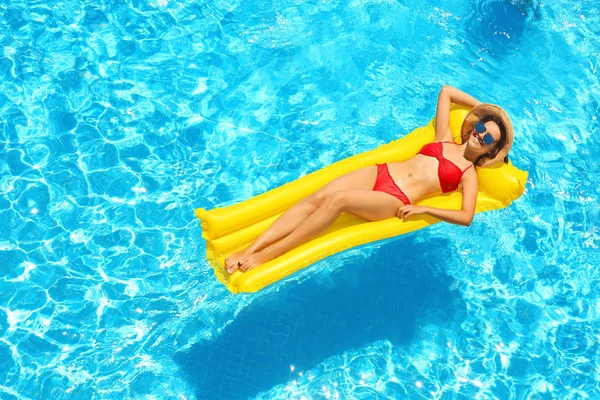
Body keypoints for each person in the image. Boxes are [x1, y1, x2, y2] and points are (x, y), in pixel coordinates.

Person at [225, 85, 514, 273]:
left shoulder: (468, 175)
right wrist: (487, 111)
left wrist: (425, 209)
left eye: (488, 137)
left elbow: (466, 217)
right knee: (317, 197)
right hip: (382, 171)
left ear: (491, 150)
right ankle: (250, 248)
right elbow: (446, 92)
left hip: (394, 199)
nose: (480, 134)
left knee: (338, 201)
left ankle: (268, 255)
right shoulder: (444, 138)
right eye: (480, 127)